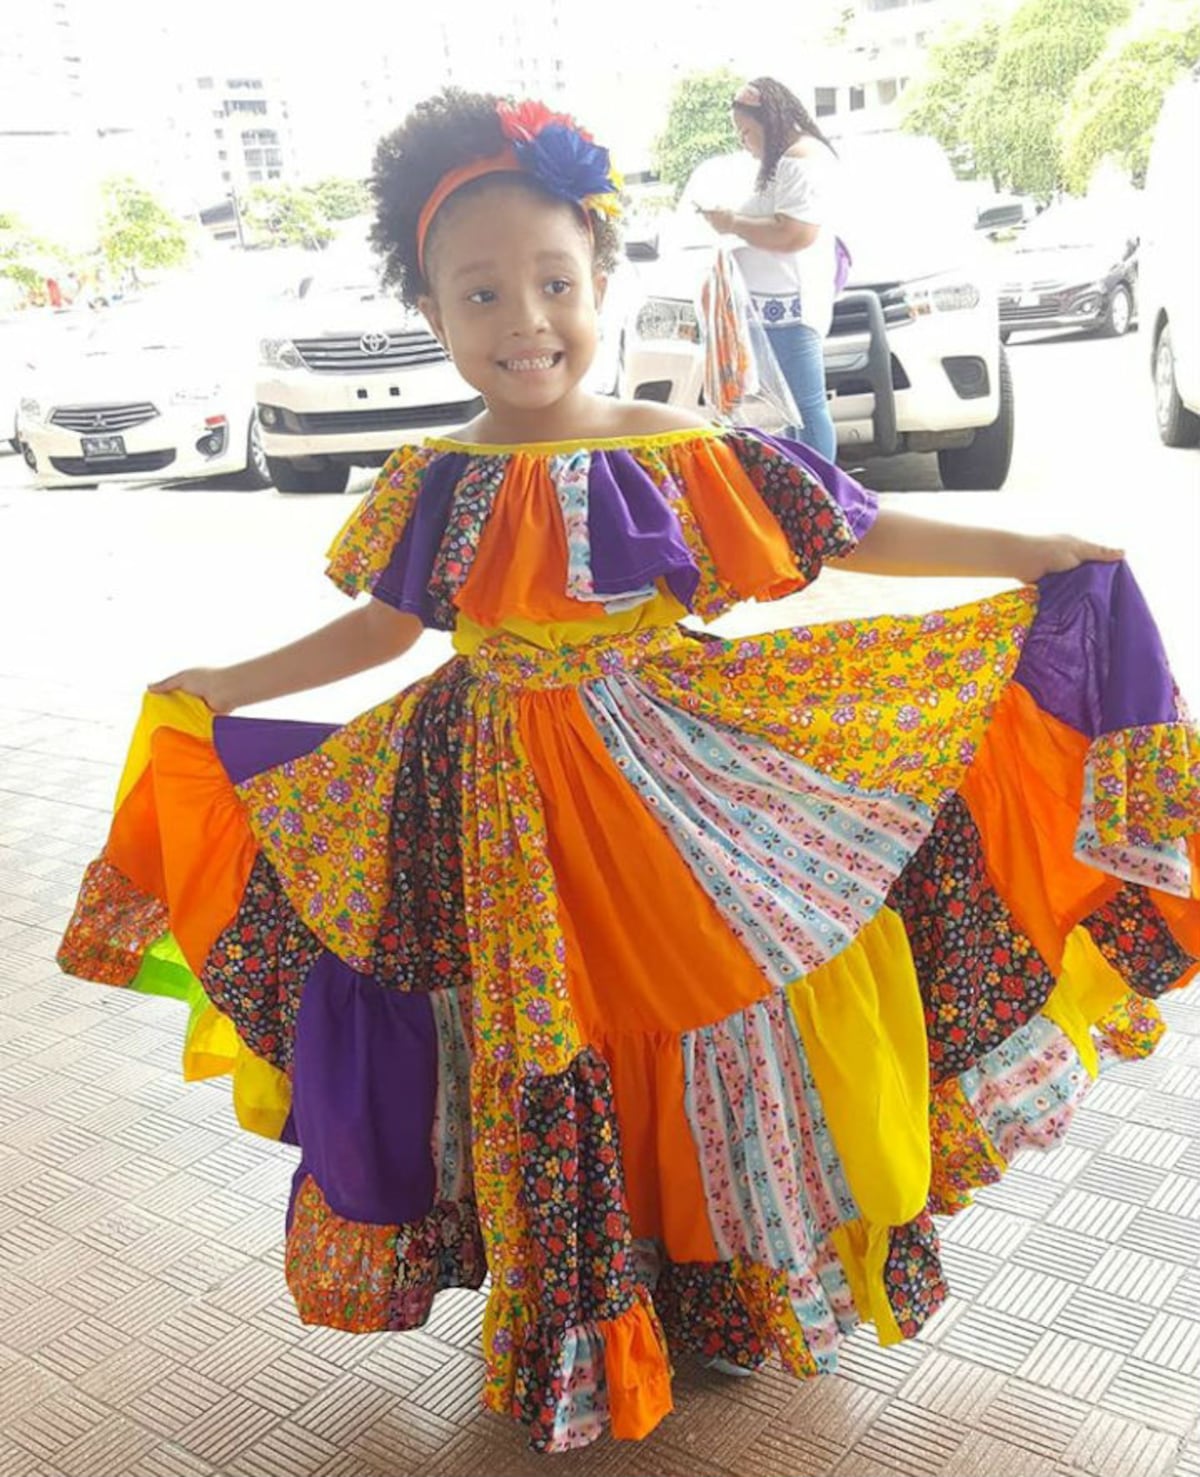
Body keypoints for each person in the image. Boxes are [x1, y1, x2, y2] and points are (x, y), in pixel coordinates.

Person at [57, 88, 1199, 1455]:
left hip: (675, 786)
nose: (521, 319)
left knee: (720, 998)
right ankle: (591, 1297)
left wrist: (1031, 550)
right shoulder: (433, 479)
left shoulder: (677, 454)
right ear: (434, 310)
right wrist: (234, 687)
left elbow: (854, 529)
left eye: (552, 281)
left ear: (605, 280)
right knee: (552, 1040)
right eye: (480, 293)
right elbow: (388, 622)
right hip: (491, 813)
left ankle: (713, 1281)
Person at [700, 77, 843, 460]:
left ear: (769, 121)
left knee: (807, 411)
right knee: (796, 414)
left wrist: (731, 223)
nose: (744, 142)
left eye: (746, 132)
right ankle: (808, 500)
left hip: (791, 307)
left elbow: (794, 232)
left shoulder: (800, 160)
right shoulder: (791, 161)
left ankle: (822, 500)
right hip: (778, 307)